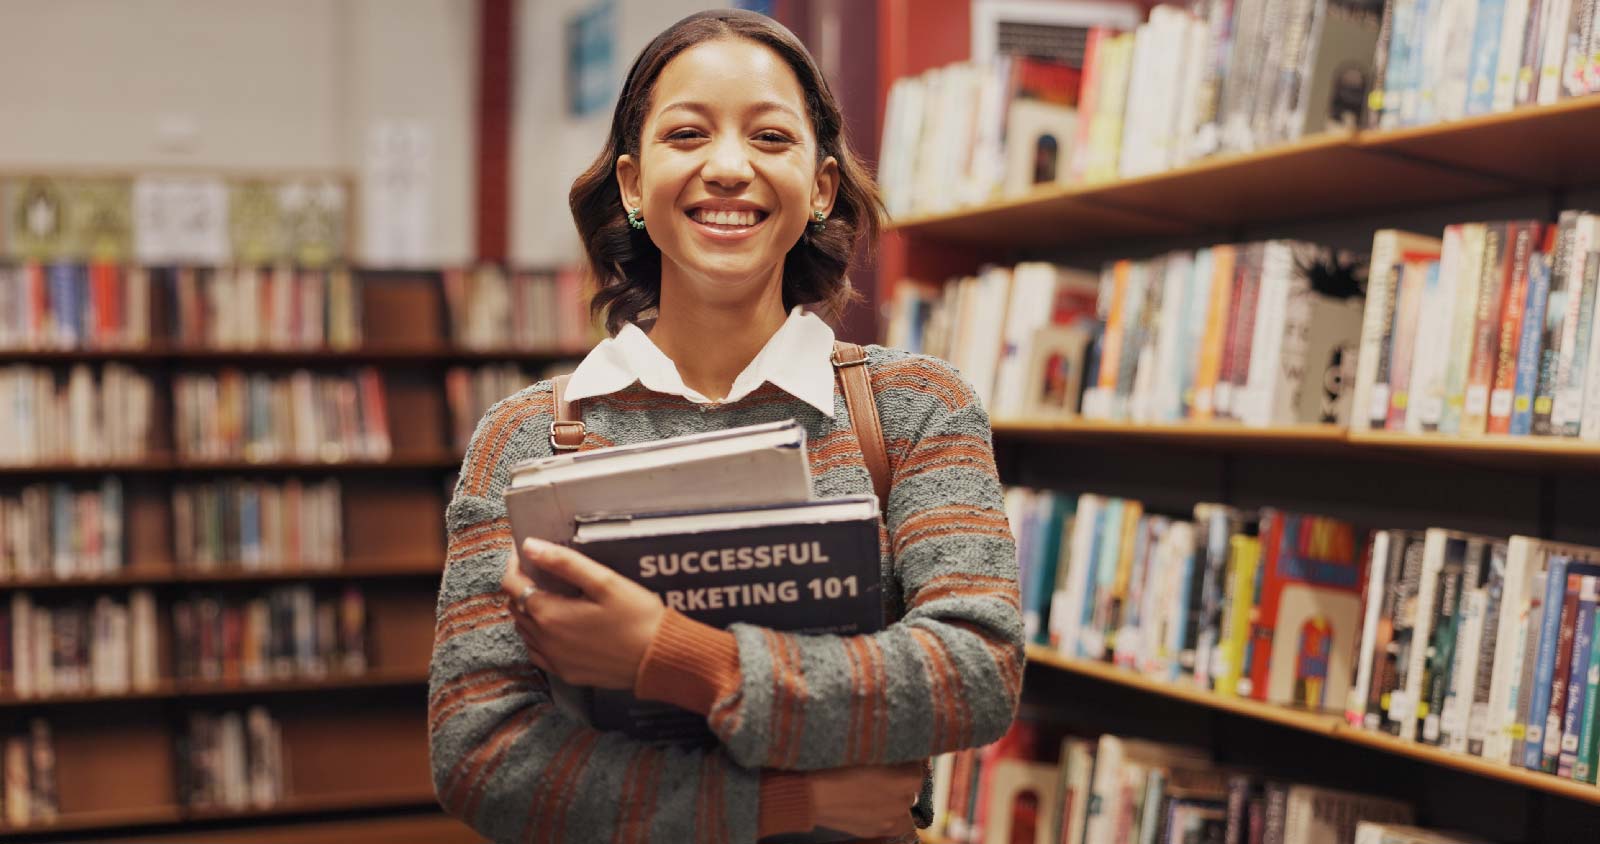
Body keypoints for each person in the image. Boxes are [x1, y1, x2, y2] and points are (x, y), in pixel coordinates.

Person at [429, 9, 1023, 843]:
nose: (730, 167)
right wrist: (791, 803)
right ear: (634, 185)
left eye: (772, 138)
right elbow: (479, 752)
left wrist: (669, 655)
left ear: (820, 187)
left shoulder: (915, 405)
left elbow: (975, 670)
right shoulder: (522, 438)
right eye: (687, 134)